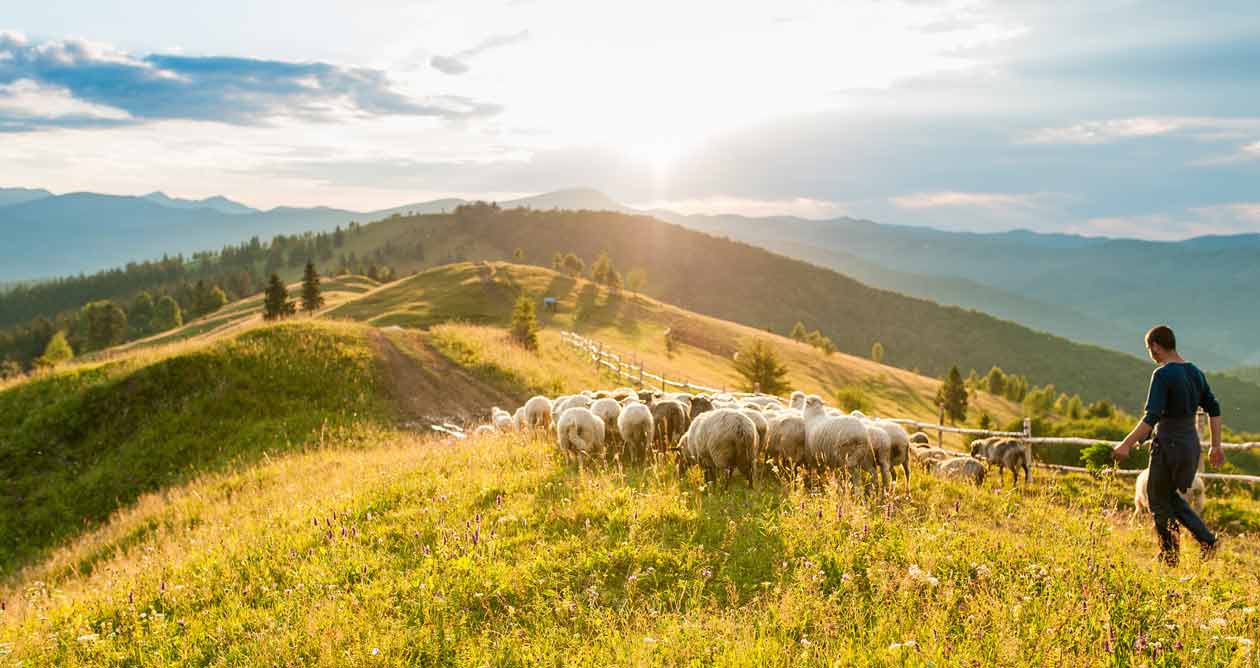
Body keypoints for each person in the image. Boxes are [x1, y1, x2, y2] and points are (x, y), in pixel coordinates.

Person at [1113, 325, 1223, 565]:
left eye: (1149, 348)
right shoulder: (1194, 371)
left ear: (1155, 346)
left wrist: (1126, 444)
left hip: (1168, 447)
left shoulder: (1162, 375)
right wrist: (1216, 446)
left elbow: (1151, 417)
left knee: (1156, 497)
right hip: (1189, 446)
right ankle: (1207, 540)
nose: (1149, 354)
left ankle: (1170, 555)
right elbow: (1214, 408)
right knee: (1167, 495)